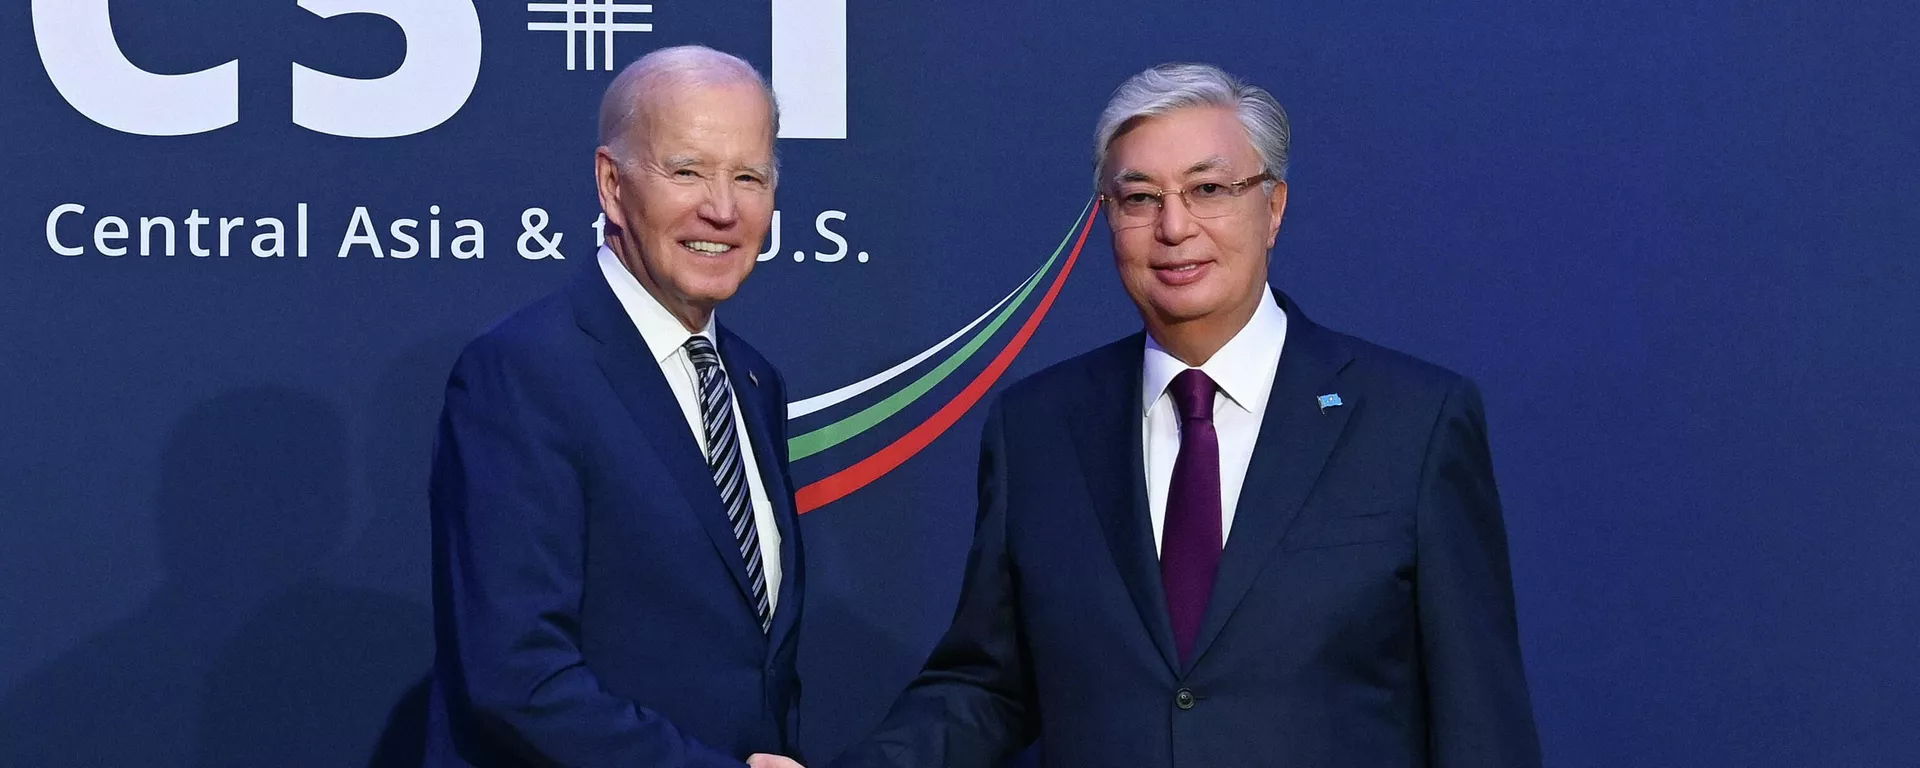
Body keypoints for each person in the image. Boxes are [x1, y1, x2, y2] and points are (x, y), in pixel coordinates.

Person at [834, 62, 1541, 767]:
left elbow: (1478, 717)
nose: (1174, 227)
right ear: (1107, 217)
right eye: (1140, 198)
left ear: (1273, 208)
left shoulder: (1412, 421)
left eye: (1208, 190)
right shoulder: (1038, 428)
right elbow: (990, 687)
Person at [426, 45, 806, 768]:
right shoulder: (524, 371)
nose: (722, 209)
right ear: (612, 184)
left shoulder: (755, 382)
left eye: (748, 177)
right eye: (687, 171)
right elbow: (517, 677)